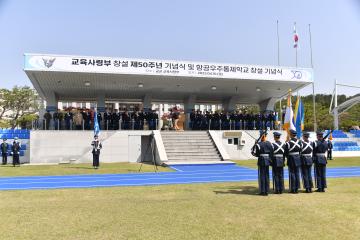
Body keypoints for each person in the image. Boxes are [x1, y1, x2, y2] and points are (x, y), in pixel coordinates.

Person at [253, 130, 273, 196]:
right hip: (267, 160)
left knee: (262, 176)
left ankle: (262, 191)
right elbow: (271, 153)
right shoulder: (269, 143)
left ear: (261, 136)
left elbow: (255, 153)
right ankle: (266, 190)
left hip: (261, 160)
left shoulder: (259, 144)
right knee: (267, 176)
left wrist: (255, 144)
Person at [285, 129, 302, 193]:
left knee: (292, 174)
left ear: (291, 135)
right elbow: (300, 150)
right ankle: (297, 188)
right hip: (298, 158)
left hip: (291, 159)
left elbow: (286, 152)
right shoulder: (300, 142)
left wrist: (288, 157)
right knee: (297, 173)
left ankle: (293, 188)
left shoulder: (288, 143)